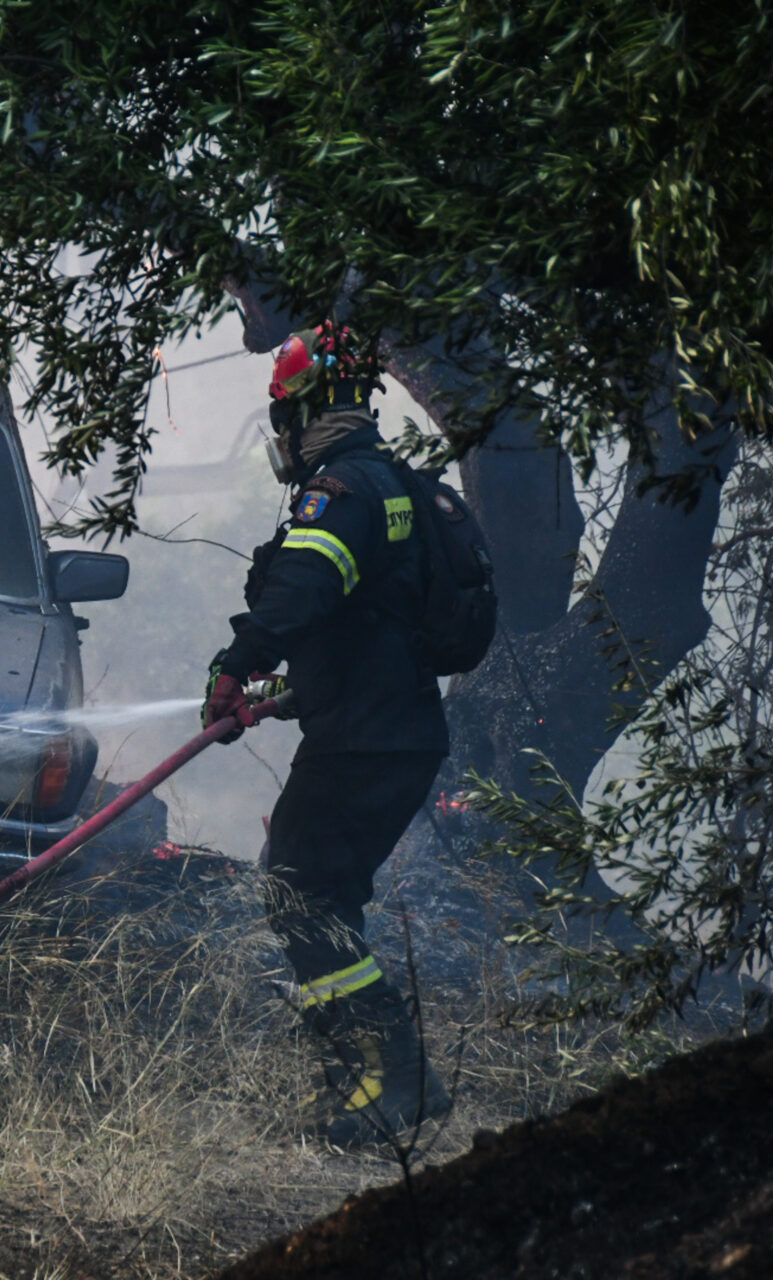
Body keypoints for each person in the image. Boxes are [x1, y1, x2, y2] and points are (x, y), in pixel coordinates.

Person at [201, 324, 452, 1146]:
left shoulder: (340, 494)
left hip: (367, 740)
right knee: (315, 896)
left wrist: (236, 667)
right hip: (387, 729)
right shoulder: (393, 485)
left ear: (305, 408)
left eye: (283, 414)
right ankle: (357, 1081)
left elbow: (304, 591)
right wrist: (286, 688)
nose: (281, 435)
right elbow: (363, 624)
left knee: (300, 894)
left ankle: (399, 1077)